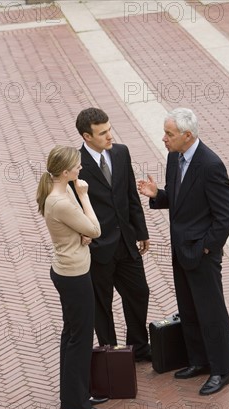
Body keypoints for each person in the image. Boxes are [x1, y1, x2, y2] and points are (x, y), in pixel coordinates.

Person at [138, 108, 229, 395]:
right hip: (181, 251)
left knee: (211, 312)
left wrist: (207, 247)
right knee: (189, 309)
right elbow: (181, 200)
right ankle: (199, 361)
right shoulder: (174, 157)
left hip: (202, 254)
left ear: (187, 135)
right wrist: (158, 195)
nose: (164, 139)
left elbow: (226, 215)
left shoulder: (210, 164)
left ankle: (221, 369)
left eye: (169, 134)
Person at [74, 108, 152, 362]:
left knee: (139, 293)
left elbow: (130, 195)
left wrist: (141, 232)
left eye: (109, 129)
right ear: (87, 136)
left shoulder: (121, 153)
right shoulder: (75, 166)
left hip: (126, 243)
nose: (110, 136)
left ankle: (139, 348)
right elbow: (73, 209)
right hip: (98, 248)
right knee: (102, 305)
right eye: (103, 132)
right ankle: (113, 354)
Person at [37, 145, 108, 409]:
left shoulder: (59, 189)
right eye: (77, 166)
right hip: (73, 275)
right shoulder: (63, 198)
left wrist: (84, 233)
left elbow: (83, 229)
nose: (81, 168)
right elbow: (95, 229)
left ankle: (75, 394)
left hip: (67, 271)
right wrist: (84, 196)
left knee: (72, 334)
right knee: (79, 337)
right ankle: (77, 402)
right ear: (65, 171)